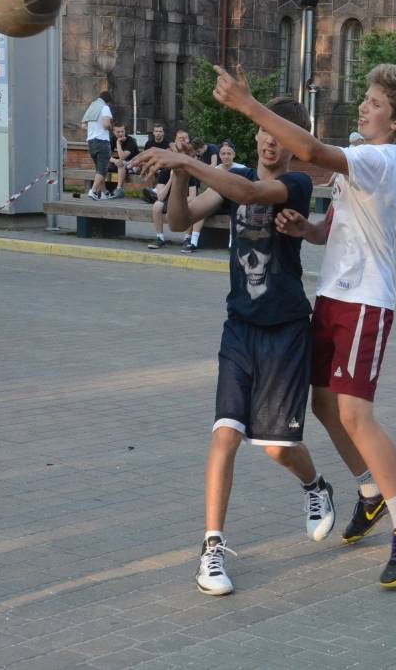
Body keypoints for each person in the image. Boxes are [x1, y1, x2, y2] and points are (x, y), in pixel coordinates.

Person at [215, 62, 396, 588]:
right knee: (323, 404)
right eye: (366, 97)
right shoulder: (360, 157)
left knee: (356, 415)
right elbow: (334, 228)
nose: (364, 106)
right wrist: (308, 230)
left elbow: (312, 152)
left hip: (365, 302)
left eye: (376, 103)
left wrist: (249, 105)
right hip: (334, 295)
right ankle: (370, 492)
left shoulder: (380, 158)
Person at [131, 97, 334, 597]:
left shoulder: (296, 184)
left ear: (294, 146)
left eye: (281, 136)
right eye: (264, 132)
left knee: (277, 447)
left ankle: (315, 486)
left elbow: (249, 193)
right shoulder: (233, 176)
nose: (270, 142)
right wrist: (180, 173)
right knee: (225, 435)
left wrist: (187, 162)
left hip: (286, 331)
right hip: (239, 328)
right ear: (256, 134)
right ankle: (212, 549)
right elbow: (180, 221)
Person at [147, 128, 192, 249]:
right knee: (157, 205)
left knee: (191, 204)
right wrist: (172, 179)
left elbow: (193, 195)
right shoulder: (166, 170)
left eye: (185, 139)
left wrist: (181, 204)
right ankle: (159, 238)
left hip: (185, 200)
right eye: (180, 139)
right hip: (169, 201)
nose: (182, 141)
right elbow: (160, 196)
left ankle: (188, 238)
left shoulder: (190, 168)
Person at [181, 140, 222, 253]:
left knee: (199, 210)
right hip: (207, 188)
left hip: (216, 186)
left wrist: (199, 169)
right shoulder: (201, 155)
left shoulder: (212, 148)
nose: (199, 154)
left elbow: (213, 165)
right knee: (193, 209)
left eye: (198, 151)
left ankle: (192, 240)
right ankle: (188, 238)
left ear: (202, 147)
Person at [81, 91, 113, 200]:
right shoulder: (105, 107)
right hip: (102, 141)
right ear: (108, 101)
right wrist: (111, 127)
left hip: (91, 142)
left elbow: (83, 126)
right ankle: (93, 191)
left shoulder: (92, 107)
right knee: (102, 169)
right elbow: (106, 124)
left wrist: (94, 129)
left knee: (99, 169)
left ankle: (104, 193)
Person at [141, 122, 172, 204]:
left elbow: (169, 160)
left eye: (160, 131)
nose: (158, 133)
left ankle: (154, 193)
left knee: (152, 168)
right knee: (149, 168)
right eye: (156, 131)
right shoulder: (149, 143)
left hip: (165, 167)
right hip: (152, 166)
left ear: (163, 133)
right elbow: (145, 158)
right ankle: (151, 192)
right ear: (153, 133)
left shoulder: (168, 144)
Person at [107, 123, 139, 199]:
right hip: (122, 165)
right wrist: (115, 160)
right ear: (114, 132)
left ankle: (119, 189)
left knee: (121, 163)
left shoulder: (131, 141)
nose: (121, 134)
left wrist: (118, 143)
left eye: (122, 131)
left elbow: (122, 157)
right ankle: (108, 191)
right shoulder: (112, 139)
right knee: (105, 168)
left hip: (134, 164)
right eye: (118, 132)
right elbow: (106, 155)